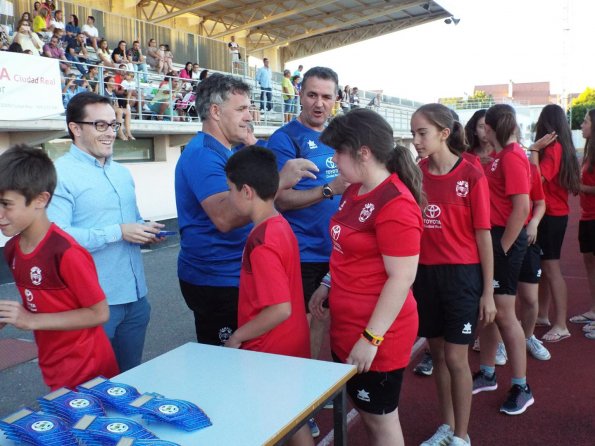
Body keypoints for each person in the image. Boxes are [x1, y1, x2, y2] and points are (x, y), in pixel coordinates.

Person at [174, 73, 317, 348]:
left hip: (232, 273)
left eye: (248, 108)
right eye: (240, 109)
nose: (249, 116)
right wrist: (277, 183)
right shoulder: (203, 155)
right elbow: (225, 218)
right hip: (216, 280)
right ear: (215, 112)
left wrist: (252, 143)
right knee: (228, 365)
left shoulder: (228, 149)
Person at [310, 108, 422, 446]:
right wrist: (327, 283)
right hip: (348, 324)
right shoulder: (353, 190)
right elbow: (345, 247)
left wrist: (371, 338)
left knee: (381, 423)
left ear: (363, 152)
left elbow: (401, 278)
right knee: (371, 417)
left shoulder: (396, 203)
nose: (333, 160)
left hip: (378, 335)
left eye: (337, 152)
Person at [47, 92, 164, 372]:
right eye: (100, 125)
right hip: (91, 305)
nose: (110, 133)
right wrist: (119, 232)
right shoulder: (58, 175)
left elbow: (131, 221)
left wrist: (145, 229)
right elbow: (57, 240)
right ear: (75, 128)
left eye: (113, 124)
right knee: (91, 388)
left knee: (129, 379)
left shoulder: (121, 173)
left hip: (136, 300)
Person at [267, 66, 348, 437]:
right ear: (300, 94)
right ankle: (302, 403)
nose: (319, 103)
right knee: (302, 324)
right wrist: (329, 189)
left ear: (336, 99)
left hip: (339, 251)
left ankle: (314, 391)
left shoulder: (341, 137)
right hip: (302, 253)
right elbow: (280, 199)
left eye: (326, 96)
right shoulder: (285, 139)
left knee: (326, 321)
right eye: (312, 94)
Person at [0, 145, 119, 390]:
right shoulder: (12, 249)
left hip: (90, 370)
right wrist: (10, 316)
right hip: (53, 367)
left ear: (41, 199)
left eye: (6, 204)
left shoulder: (66, 252)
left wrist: (30, 320)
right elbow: (44, 305)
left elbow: (99, 313)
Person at [410, 104, 494, 446]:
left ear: (444, 133)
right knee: (439, 353)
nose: (416, 140)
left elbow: (483, 235)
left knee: (457, 357)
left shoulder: (472, 175)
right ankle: (447, 426)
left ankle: (462, 435)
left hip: (462, 277)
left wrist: (488, 291)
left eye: (422, 133)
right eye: (413, 133)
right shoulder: (417, 172)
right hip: (425, 276)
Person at [224, 146, 314, 446]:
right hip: (290, 343)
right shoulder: (278, 225)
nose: (228, 196)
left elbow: (279, 309)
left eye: (230, 189)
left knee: (269, 422)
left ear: (247, 191)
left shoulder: (261, 240)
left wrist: (238, 336)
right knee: (292, 419)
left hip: (269, 350)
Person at [472, 104, 534, 416]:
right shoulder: (499, 157)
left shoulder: (512, 157)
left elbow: (521, 209)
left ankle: (522, 386)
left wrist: (504, 250)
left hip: (504, 240)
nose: (480, 130)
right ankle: (487, 372)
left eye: (485, 126)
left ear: (494, 127)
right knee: (488, 310)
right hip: (494, 238)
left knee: (505, 313)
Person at [529, 104, 580, 342]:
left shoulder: (553, 149)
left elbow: (536, 178)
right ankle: (542, 314)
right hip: (551, 213)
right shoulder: (561, 147)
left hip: (551, 214)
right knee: (543, 268)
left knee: (550, 268)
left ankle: (561, 324)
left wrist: (534, 150)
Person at [517, 162, 551, 360]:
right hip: (499, 238)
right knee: (503, 299)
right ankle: (498, 342)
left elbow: (540, 202)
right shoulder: (486, 164)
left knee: (530, 297)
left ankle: (528, 337)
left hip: (526, 238)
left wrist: (534, 223)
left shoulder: (529, 167)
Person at [576, 109, 595, 338]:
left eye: (586, 122)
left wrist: (579, 187)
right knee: (589, 263)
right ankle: (593, 310)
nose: (582, 125)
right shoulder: (588, 152)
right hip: (587, 216)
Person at [103, 75, 134, 140]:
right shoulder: (103, 91)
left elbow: (116, 105)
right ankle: (119, 132)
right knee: (119, 111)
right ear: (106, 83)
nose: (114, 82)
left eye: (114, 81)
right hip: (106, 108)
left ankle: (128, 133)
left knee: (127, 111)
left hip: (114, 108)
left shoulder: (113, 93)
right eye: (111, 81)